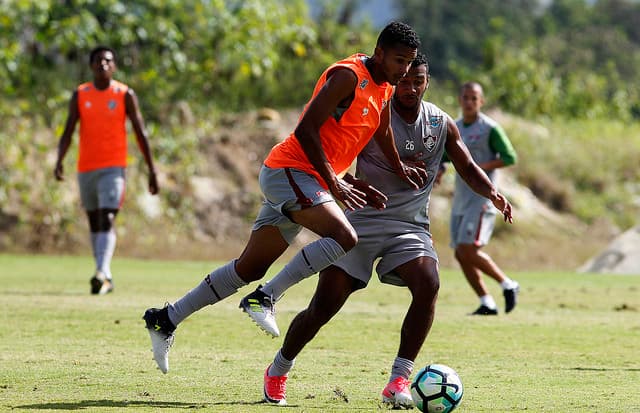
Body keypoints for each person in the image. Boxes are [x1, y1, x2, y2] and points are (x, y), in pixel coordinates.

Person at [143, 21, 426, 375]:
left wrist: (396, 170)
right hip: (290, 170)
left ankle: (165, 319)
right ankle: (266, 297)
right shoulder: (348, 77)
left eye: (409, 63)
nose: (404, 72)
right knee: (344, 237)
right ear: (380, 53)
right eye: (399, 61)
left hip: (303, 178)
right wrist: (333, 183)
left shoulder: (384, 86)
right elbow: (306, 130)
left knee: (249, 267)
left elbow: (380, 130)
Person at [245, 54, 513, 407]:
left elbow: (466, 164)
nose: (410, 88)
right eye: (404, 81)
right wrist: (342, 182)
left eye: (418, 81)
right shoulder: (372, 114)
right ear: (395, 77)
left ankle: (398, 381)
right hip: (361, 223)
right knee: (323, 308)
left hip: (409, 227)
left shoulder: (441, 123)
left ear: (426, 82)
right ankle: (278, 369)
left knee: (428, 282)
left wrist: (492, 192)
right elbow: (335, 153)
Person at [54, 46, 158, 295]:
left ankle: (102, 272)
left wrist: (152, 169)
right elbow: (68, 130)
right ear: (91, 65)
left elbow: (141, 133)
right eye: (98, 60)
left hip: (114, 168)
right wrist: (59, 159)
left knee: (107, 216)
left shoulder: (124, 94)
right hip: (86, 167)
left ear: (114, 67)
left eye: (108, 61)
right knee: (93, 220)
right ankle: (104, 275)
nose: (103, 64)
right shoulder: (80, 94)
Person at [443, 81, 519, 315]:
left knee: (469, 249)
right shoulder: (454, 127)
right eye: (465, 97)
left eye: (474, 98)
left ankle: (508, 284)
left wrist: (476, 167)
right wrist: (437, 171)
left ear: (481, 102)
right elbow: (445, 158)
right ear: (459, 100)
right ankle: (486, 301)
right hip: (461, 200)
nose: (469, 102)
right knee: (460, 253)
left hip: (482, 199)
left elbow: (509, 157)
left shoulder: (489, 128)